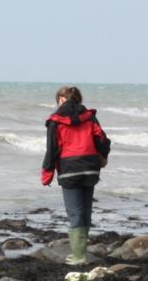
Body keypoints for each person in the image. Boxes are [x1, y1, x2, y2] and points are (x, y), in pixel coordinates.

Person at [40, 86, 112, 265]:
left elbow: (52, 149)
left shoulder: (55, 121)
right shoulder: (90, 117)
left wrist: (47, 173)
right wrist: (103, 157)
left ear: (61, 99)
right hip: (90, 167)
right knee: (86, 210)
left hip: (69, 169)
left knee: (74, 212)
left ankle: (79, 256)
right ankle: (82, 253)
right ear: (78, 99)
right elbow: (103, 140)